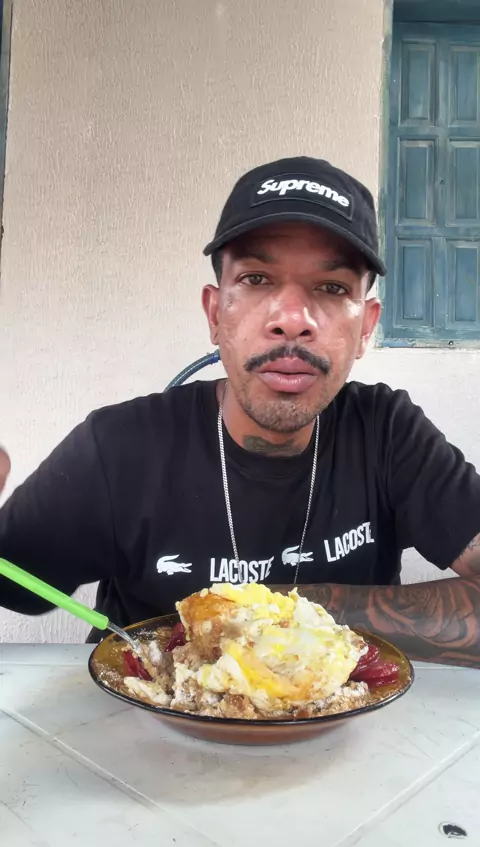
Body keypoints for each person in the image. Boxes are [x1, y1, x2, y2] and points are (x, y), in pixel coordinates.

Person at [1, 155, 480, 667]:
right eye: (256, 279)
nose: (292, 319)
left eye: (332, 287)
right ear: (215, 314)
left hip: (343, 718)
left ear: (366, 327)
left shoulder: (388, 433)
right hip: (140, 716)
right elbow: (17, 585)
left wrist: (265, 619)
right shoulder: (120, 446)